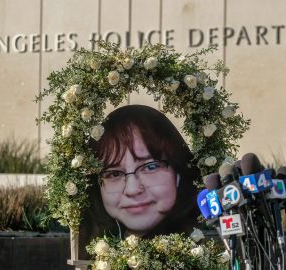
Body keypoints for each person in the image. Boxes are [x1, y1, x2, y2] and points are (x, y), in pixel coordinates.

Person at [79, 105, 200, 258]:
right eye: (114, 173)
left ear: (178, 173)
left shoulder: (218, 247)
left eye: (150, 167)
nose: (132, 189)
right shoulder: (89, 255)